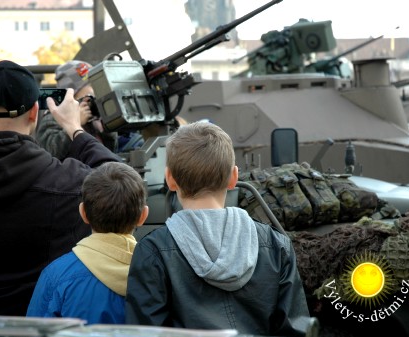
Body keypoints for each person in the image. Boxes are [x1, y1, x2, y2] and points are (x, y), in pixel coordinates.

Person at [0, 60, 120, 316]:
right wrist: (74, 128)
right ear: (34, 112)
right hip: (41, 326)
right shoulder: (68, 181)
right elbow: (119, 182)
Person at [125, 121, 310, 336]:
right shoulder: (277, 245)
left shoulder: (152, 252)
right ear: (233, 178)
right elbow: (295, 330)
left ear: (170, 180)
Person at [27, 161, 148, 323]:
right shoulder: (158, 275)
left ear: (83, 213)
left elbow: (33, 330)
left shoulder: (56, 275)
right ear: (143, 216)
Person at [36, 60, 143, 158]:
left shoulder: (94, 111)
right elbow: (52, 151)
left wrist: (106, 130)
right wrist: (76, 123)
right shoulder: (54, 116)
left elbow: (111, 151)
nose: (96, 89)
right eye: (90, 84)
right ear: (73, 91)